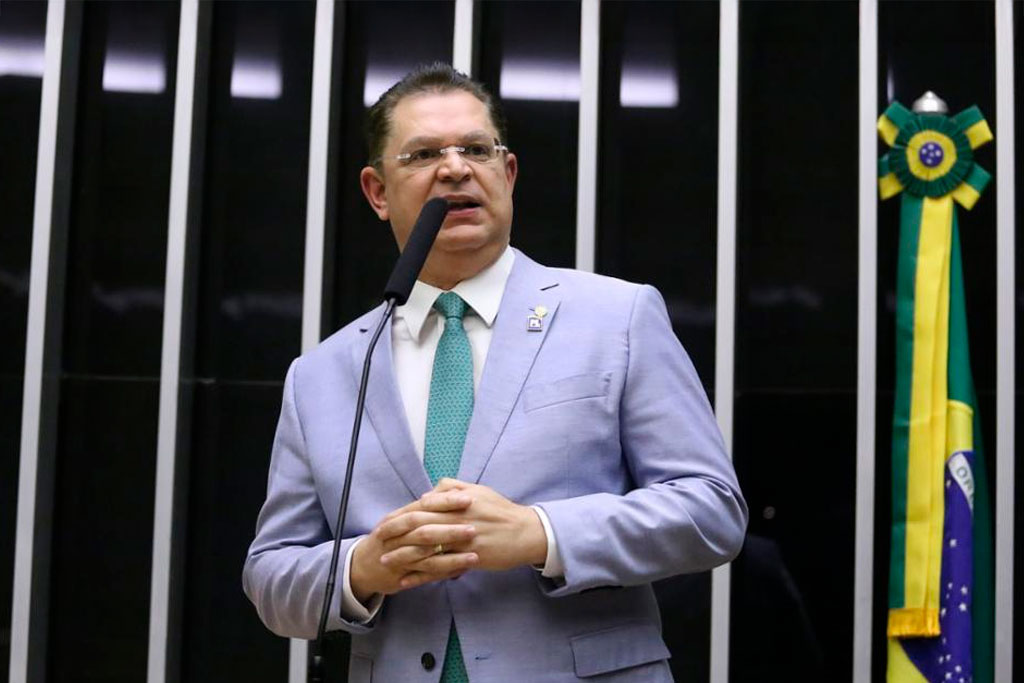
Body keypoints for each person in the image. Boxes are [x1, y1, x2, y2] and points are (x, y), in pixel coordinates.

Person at [243, 62, 746, 682]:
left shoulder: (617, 317)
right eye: (424, 154)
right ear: (377, 192)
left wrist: (540, 533)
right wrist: (360, 568)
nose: (455, 168)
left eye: (477, 150)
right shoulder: (323, 373)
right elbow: (270, 575)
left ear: (507, 174)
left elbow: (711, 512)